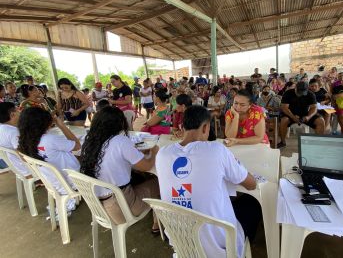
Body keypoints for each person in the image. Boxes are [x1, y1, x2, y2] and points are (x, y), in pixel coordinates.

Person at [156, 105, 260, 258]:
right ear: (205, 127)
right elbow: (252, 185)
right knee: (252, 205)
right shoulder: (217, 150)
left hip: (181, 241)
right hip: (220, 248)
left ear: (182, 127)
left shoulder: (162, 153)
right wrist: (236, 164)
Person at [80, 106, 160, 230]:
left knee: (140, 177)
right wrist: (154, 152)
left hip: (98, 206)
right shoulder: (120, 141)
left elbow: (114, 159)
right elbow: (147, 166)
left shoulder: (89, 141)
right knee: (158, 181)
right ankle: (157, 224)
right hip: (121, 208)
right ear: (119, 123)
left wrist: (137, 154)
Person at [18, 107, 81, 212]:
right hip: (72, 179)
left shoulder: (24, 141)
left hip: (53, 181)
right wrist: (62, 126)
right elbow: (77, 146)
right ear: (44, 124)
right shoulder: (49, 139)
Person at [278, 81, 325, 148]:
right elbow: (284, 108)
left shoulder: (310, 94)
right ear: (295, 88)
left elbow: (314, 107)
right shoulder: (288, 93)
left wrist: (308, 117)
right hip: (290, 113)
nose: (301, 94)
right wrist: (293, 117)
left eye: (303, 92)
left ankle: (318, 142)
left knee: (320, 121)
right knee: (284, 120)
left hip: (305, 114)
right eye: (299, 92)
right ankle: (282, 142)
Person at [0, 102, 31, 176]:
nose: (20, 112)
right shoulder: (13, 132)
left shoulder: (2, 127)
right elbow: (23, 155)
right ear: (12, 115)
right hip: (24, 169)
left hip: (5, 162)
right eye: (17, 110)